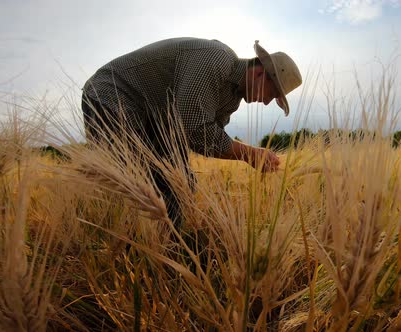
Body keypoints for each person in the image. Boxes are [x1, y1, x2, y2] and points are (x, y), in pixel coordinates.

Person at [81, 37, 302, 226]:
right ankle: (131, 247)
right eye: (271, 95)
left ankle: (164, 251)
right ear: (260, 74)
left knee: (181, 185)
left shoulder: (231, 100)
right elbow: (194, 129)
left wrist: (248, 154)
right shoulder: (216, 60)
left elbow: (204, 140)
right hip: (113, 94)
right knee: (138, 179)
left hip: (155, 119)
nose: (265, 103)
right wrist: (248, 154)